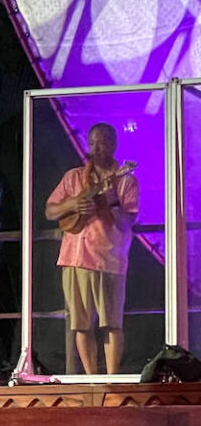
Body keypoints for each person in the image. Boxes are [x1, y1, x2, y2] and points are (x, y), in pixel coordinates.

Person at [45, 123, 139, 375]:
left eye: (104, 142)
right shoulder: (73, 177)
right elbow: (50, 210)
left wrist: (112, 202)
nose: (97, 148)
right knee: (81, 325)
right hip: (74, 257)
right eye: (93, 143)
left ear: (114, 144)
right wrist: (74, 204)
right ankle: (91, 379)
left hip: (108, 258)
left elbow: (125, 223)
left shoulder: (125, 180)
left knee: (111, 323)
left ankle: (111, 378)